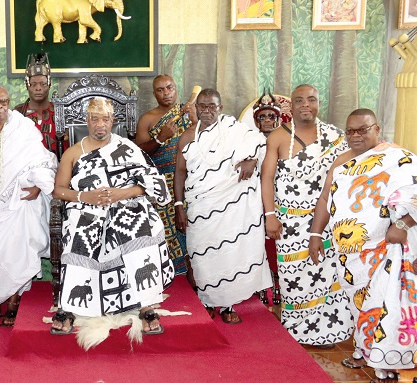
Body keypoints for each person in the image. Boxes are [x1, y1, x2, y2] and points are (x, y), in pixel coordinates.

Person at [309, 109, 417, 383]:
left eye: (362, 130)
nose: (356, 136)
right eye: (351, 131)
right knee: (360, 303)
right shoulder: (341, 161)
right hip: (351, 254)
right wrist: (316, 234)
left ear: (377, 128)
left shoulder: (399, 159)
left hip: (388, 248)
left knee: (385, 303)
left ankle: (387, 364)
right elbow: (324, 198)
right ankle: (364, 350)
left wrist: (404, 224)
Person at [51, 97, 173, 334]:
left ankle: (145, 304)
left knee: (141, 226)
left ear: (112, 121)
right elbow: (59, 189)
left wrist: (121, 194)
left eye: (105, 119)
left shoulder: (126, 147)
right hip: (86, 207)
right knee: (80, 231)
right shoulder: (73, 153)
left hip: (126, 203)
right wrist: (85, 198)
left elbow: (149, 183)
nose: (100, 125)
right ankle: (69, 305)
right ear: (86, 121)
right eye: (95, 119)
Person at [261, 84, 353, 347]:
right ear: (291, 104)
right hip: (288, 221)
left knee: (327, 273)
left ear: (318, 103)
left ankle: (327, 332)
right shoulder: (278, 137)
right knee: (294, 276)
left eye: (311, 99)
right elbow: (266, 177)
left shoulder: (335, 137)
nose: (305, 104)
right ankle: (298, 330)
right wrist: (270, 215)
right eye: (299, 100)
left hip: (326, 220)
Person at [174, 89, 271, 323]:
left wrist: (252, 159)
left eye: (212, 106)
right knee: (201, 253)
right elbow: (180, 172)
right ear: (196, 108)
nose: (207, 111)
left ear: (221, 107)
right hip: (200, 205)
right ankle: (207, 300)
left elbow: (260, 143)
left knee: (229, 255)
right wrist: (179, 206)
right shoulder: (187, 136)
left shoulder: (235, 130)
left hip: (231, 207)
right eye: (202, 106)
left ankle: (227, 305)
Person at [0, 84, 57, 327]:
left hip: (19, 203)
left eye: (3, 102)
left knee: (18, 249)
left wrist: (38, 187)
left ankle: (14, 302)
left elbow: (43, 160)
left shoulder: (23, 128)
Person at [136, 75, 195, 278]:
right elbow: (139, 155)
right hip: (162, 186)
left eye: (169, 87)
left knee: (195, 232)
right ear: (154, 94)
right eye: (160, 90)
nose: (166, 93)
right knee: (169, 236)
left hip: (191, 183)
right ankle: (176, 280)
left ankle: (199, 279)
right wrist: (160, 138)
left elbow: (206, 140)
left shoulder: (187, 113)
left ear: (176, 88)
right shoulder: (148, 119)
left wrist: (194, 117)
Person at [253, 91, 283, 305]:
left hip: (281, 198)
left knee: (276, 242)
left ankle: (279, 284)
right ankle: (261, 286)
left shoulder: (285, 140)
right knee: (257, 243)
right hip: (254, 199)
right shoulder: (249, 141)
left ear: (278, 119)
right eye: (262, 117)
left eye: (270, 116)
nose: (266, 121)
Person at [14, 53, 66, 157]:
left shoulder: (59, 111)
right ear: (27, 85)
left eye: (43, 84)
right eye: (33, 84)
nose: (38, 88)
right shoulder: (18, 113)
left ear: (50, 85)